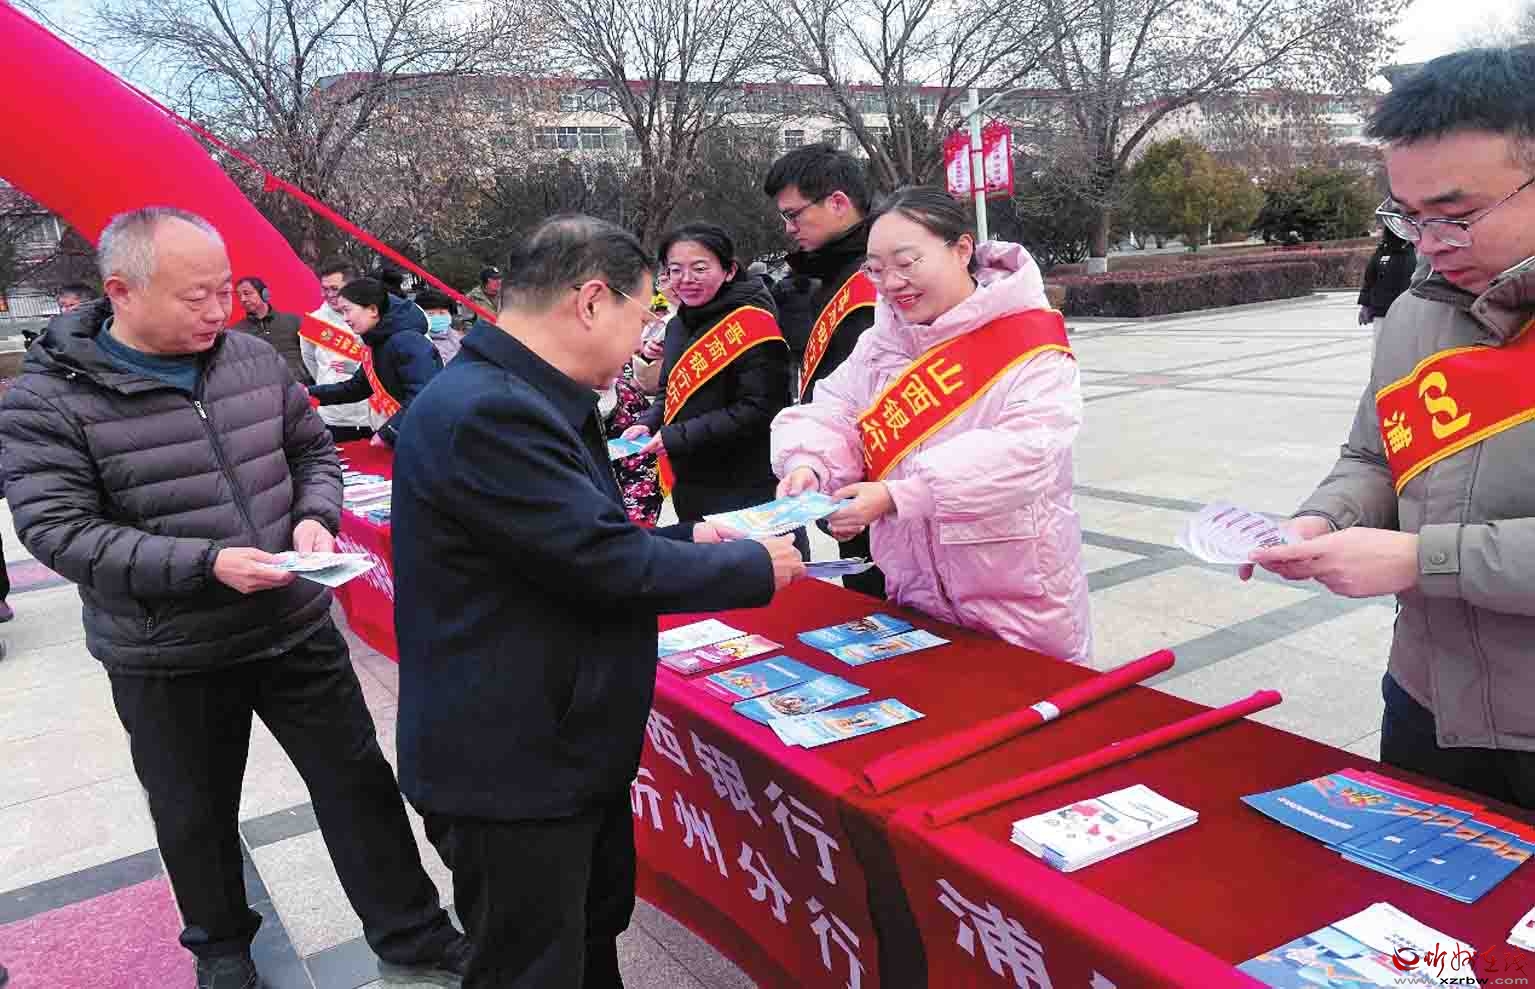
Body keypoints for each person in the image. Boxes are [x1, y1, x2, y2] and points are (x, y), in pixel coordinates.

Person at [0, 207, 468, 989]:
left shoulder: (249, 359)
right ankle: (221, 951)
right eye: (196, 296)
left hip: (292, 623)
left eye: (224, 289)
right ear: (121, 291)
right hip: (167, 649)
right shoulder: (47, 400)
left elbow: (311, 451)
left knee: (357, 784)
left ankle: (412, 931)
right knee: (193, 811)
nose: (220, 309)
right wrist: (205, 563)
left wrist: (314, 517)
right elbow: (59, 530)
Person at [390, 214, 803, 988]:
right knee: (533, 966)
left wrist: (686, 539)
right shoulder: (488, 411)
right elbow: (600, 561)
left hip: (559, 745)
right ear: (589, 301)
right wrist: (750, 565)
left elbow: (561, 542)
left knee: (584, 940)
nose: (644, 339)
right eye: (641, 314)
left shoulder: (525, 392)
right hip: (512, 763)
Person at [1249, 48, 1535, 810]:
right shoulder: (1415, 312)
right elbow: (1373, 455)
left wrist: (1420, 558)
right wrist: (1323, 518)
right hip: (1424, 701)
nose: (1427, 243)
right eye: (1407, 216)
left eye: (1455, 216)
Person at [771, 187, 1092, 663]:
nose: (891, 283)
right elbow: (834, 409)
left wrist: (900, 495)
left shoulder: (1029, 338)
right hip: (916, 592)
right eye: (875, 269)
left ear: (961, 249)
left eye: (907, 263)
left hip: (1020, 595)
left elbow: (1028, 450)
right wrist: (808, 464)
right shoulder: (884, 340)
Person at [765, 143, 885, 596]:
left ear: (837, 202)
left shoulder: (875, 275)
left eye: (794, 215)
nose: (789, 228)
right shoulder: (829, 274)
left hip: (886, 490)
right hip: (844, 476)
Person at [624, 223, 791, 527]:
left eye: (699, 268)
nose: (686, 279)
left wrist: (677, 436)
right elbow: (668, 392)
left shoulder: (752, 322)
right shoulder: (676, 326)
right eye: (675, 270)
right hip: (690, 480)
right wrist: (647, 423)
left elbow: (760, 408)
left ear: (729, 271)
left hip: (747, 482)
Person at [308, 278, 443, 447]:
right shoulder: (376, 341)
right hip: (408, 434)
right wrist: (309, 394)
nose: (345, 319)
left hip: (424, 437)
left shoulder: (406, 340)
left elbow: (423, 395)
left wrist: (390, 432)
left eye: (347, 310)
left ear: (372, 309)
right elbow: (358, 387)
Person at [232, 276, 312, 385]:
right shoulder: (237, 332)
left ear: (264, 293)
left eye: (247, 293)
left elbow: (316, 352)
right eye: (239, 296)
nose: (243, 299)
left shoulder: (293, 320)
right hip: (265, 389)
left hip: (301, 386)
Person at [1357, 228, 1417, 334]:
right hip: (1381, 311)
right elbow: (1369, 279)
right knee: (1381, 342)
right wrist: (1365, 305)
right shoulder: (1382, 251)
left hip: (1407, 312)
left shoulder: (1414, 251)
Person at [415, 288, 464, 365]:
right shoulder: (419, 344)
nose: (437, 317)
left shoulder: (458, 337)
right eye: (430, 314)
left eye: (442, 313)